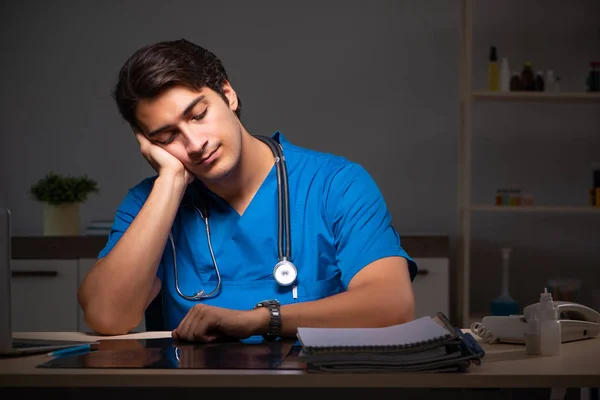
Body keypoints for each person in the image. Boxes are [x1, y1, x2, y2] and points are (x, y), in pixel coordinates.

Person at [78, 38, 418, 342]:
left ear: (228, 94)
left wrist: (261, 321)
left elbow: (391, 305)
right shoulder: (148, 204)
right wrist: (170, 182)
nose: (195, 144)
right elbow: (108, 317)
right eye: (168, 137)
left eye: (198, 115)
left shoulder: (335, 184)